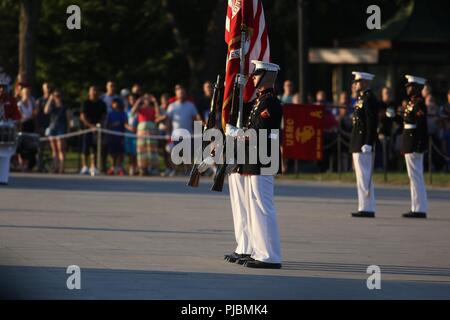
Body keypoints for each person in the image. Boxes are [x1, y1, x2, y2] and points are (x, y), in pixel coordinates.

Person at [203, 61, 283, 269]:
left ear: (267, 76)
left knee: (263, 207)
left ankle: (270, 255)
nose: (254, 78)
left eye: (257, 74)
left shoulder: (270, 103)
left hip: (264, 159)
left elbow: (259, 134)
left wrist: (235, 133)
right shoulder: (260, 102)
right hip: (255, 160)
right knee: (254, 206)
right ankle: (258, 250)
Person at [399, 75, 429, 218]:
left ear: (417, 88)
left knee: (416, 176)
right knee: (414, 176)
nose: (407, 88)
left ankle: (419, 209)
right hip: (409, 141)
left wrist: (419, 145)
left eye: (410, 86)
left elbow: (422, 127)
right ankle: (416, 207)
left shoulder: (419, 104)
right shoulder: (412, 103)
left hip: (414, 142)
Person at [350, 72, 379, 218]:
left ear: (366, 83)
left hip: (363, 142)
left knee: (365, 176)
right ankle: (364, 206)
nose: (356, 84)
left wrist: (368, 142)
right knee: (361, 176)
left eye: (359, 82)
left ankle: (367, 208)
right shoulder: (361, 98)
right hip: (358, 140)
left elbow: (371, 123)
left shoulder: (369, 99)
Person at [80, 86, 107, 176]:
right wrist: (91, 126)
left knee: (95, 148)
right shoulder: (86, 103)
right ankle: (84, 167)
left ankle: (93, 166)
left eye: (96, 90)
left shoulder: (102, 104)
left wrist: (98, 126)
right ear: (89, 92)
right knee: (85, 148)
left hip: (98, 128)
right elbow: (83, 117)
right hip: (87, 129)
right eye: (92, 90)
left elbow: (104, 116)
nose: (94, 92)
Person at [0, 68, 21, 185]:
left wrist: (12, 122)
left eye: (3, 87)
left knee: (5, 156)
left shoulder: (11, 100)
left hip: (5, 133)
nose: (1, 90)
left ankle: (3, 179)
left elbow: (17, 116)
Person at [131, 94, 160, 176]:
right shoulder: (140, 109)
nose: (146, 100)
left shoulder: (153, 108)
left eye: (148, 99)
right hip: (142, 130)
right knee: (142, 149)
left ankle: (153, 168)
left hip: (151, 129)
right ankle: (142, 168)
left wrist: (155, 102)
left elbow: (158, 115)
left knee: (152, 149)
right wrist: (138, 101)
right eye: (145, 99)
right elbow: (132, 112)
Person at [44, 90, 71, 174]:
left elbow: (69, 119)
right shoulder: (52, 106)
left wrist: (68, 130)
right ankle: (55, 167)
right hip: (53, 128)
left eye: (58, 96)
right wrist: (50, 99)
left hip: (61, 128)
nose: (57, 98)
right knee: (54, 149)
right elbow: (46, 111)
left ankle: (61, 168)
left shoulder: (65, 107)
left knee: (61, 149)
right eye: (55, 96)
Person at [105, 98, 127, 176]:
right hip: (112, 136)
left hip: (120, 135)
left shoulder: (122, 113)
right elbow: (107, 125)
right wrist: (114, 125)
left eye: (117, 103)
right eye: (114, 103)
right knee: (112, 153)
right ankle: (113, 167)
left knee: (120, 153)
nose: (116, 104)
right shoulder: (110, 113)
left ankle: (119, 167)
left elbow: (125, 123)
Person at [17, 87, 36, 171]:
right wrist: (25, 118)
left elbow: (34, 114)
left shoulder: (31, 103)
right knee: (21, 146)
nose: (27, 95)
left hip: (30, 125)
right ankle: (21, 164)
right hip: (22, 126)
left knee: (30, 146)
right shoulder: (19, 104)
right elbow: (20, 116)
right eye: (25, 93)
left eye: (28, 93)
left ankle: (28, 165)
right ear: (22, 94)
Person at [35, 82, 52, 172]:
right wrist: (38, 126)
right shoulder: (40, 101)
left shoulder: (54, 99)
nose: (48, 89)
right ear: (43, 89)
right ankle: (39, 166)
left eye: (49, 87)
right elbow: (37, 115)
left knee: (51, 148)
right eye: (46, 87)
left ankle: (51, 166)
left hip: (52, 126)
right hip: (42, 126)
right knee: (40, 147)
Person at [123, 91, 138, 176]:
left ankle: (136, 167)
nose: (132, 101)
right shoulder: (126, 110)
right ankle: (131, 167)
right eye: (131, 99)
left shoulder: (139, 110)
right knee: (129, 152)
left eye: (134, 99)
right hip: (128, 133)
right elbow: (124, 122)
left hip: (137, 133)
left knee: (136, 152)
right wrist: (129, 128)